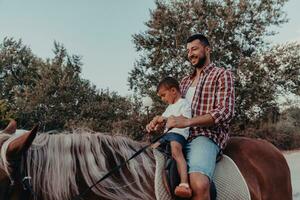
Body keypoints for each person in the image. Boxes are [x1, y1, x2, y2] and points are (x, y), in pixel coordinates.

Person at [166, 34, 235, 200]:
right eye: (188, 50)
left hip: (205, 136)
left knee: (199, 184)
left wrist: (188, 122)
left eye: (194, 49)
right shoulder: (183, 82)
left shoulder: (222, 74)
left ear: (207, 49)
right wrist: (162, 120)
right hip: (179, 136)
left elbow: (225, 111)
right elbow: (175, 109)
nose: (190, 53)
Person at [146, 77, 192, 198]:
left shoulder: (184, 103)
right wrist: (154, 124)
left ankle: (184, 183)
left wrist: (164, 119)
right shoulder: (169, 107)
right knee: (153, 148)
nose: (162, 99)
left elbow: (185, 120)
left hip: (179, 134)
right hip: (167, 135)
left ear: (173, 91)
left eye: (163, 95)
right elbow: (162, 122)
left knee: (176, 150)